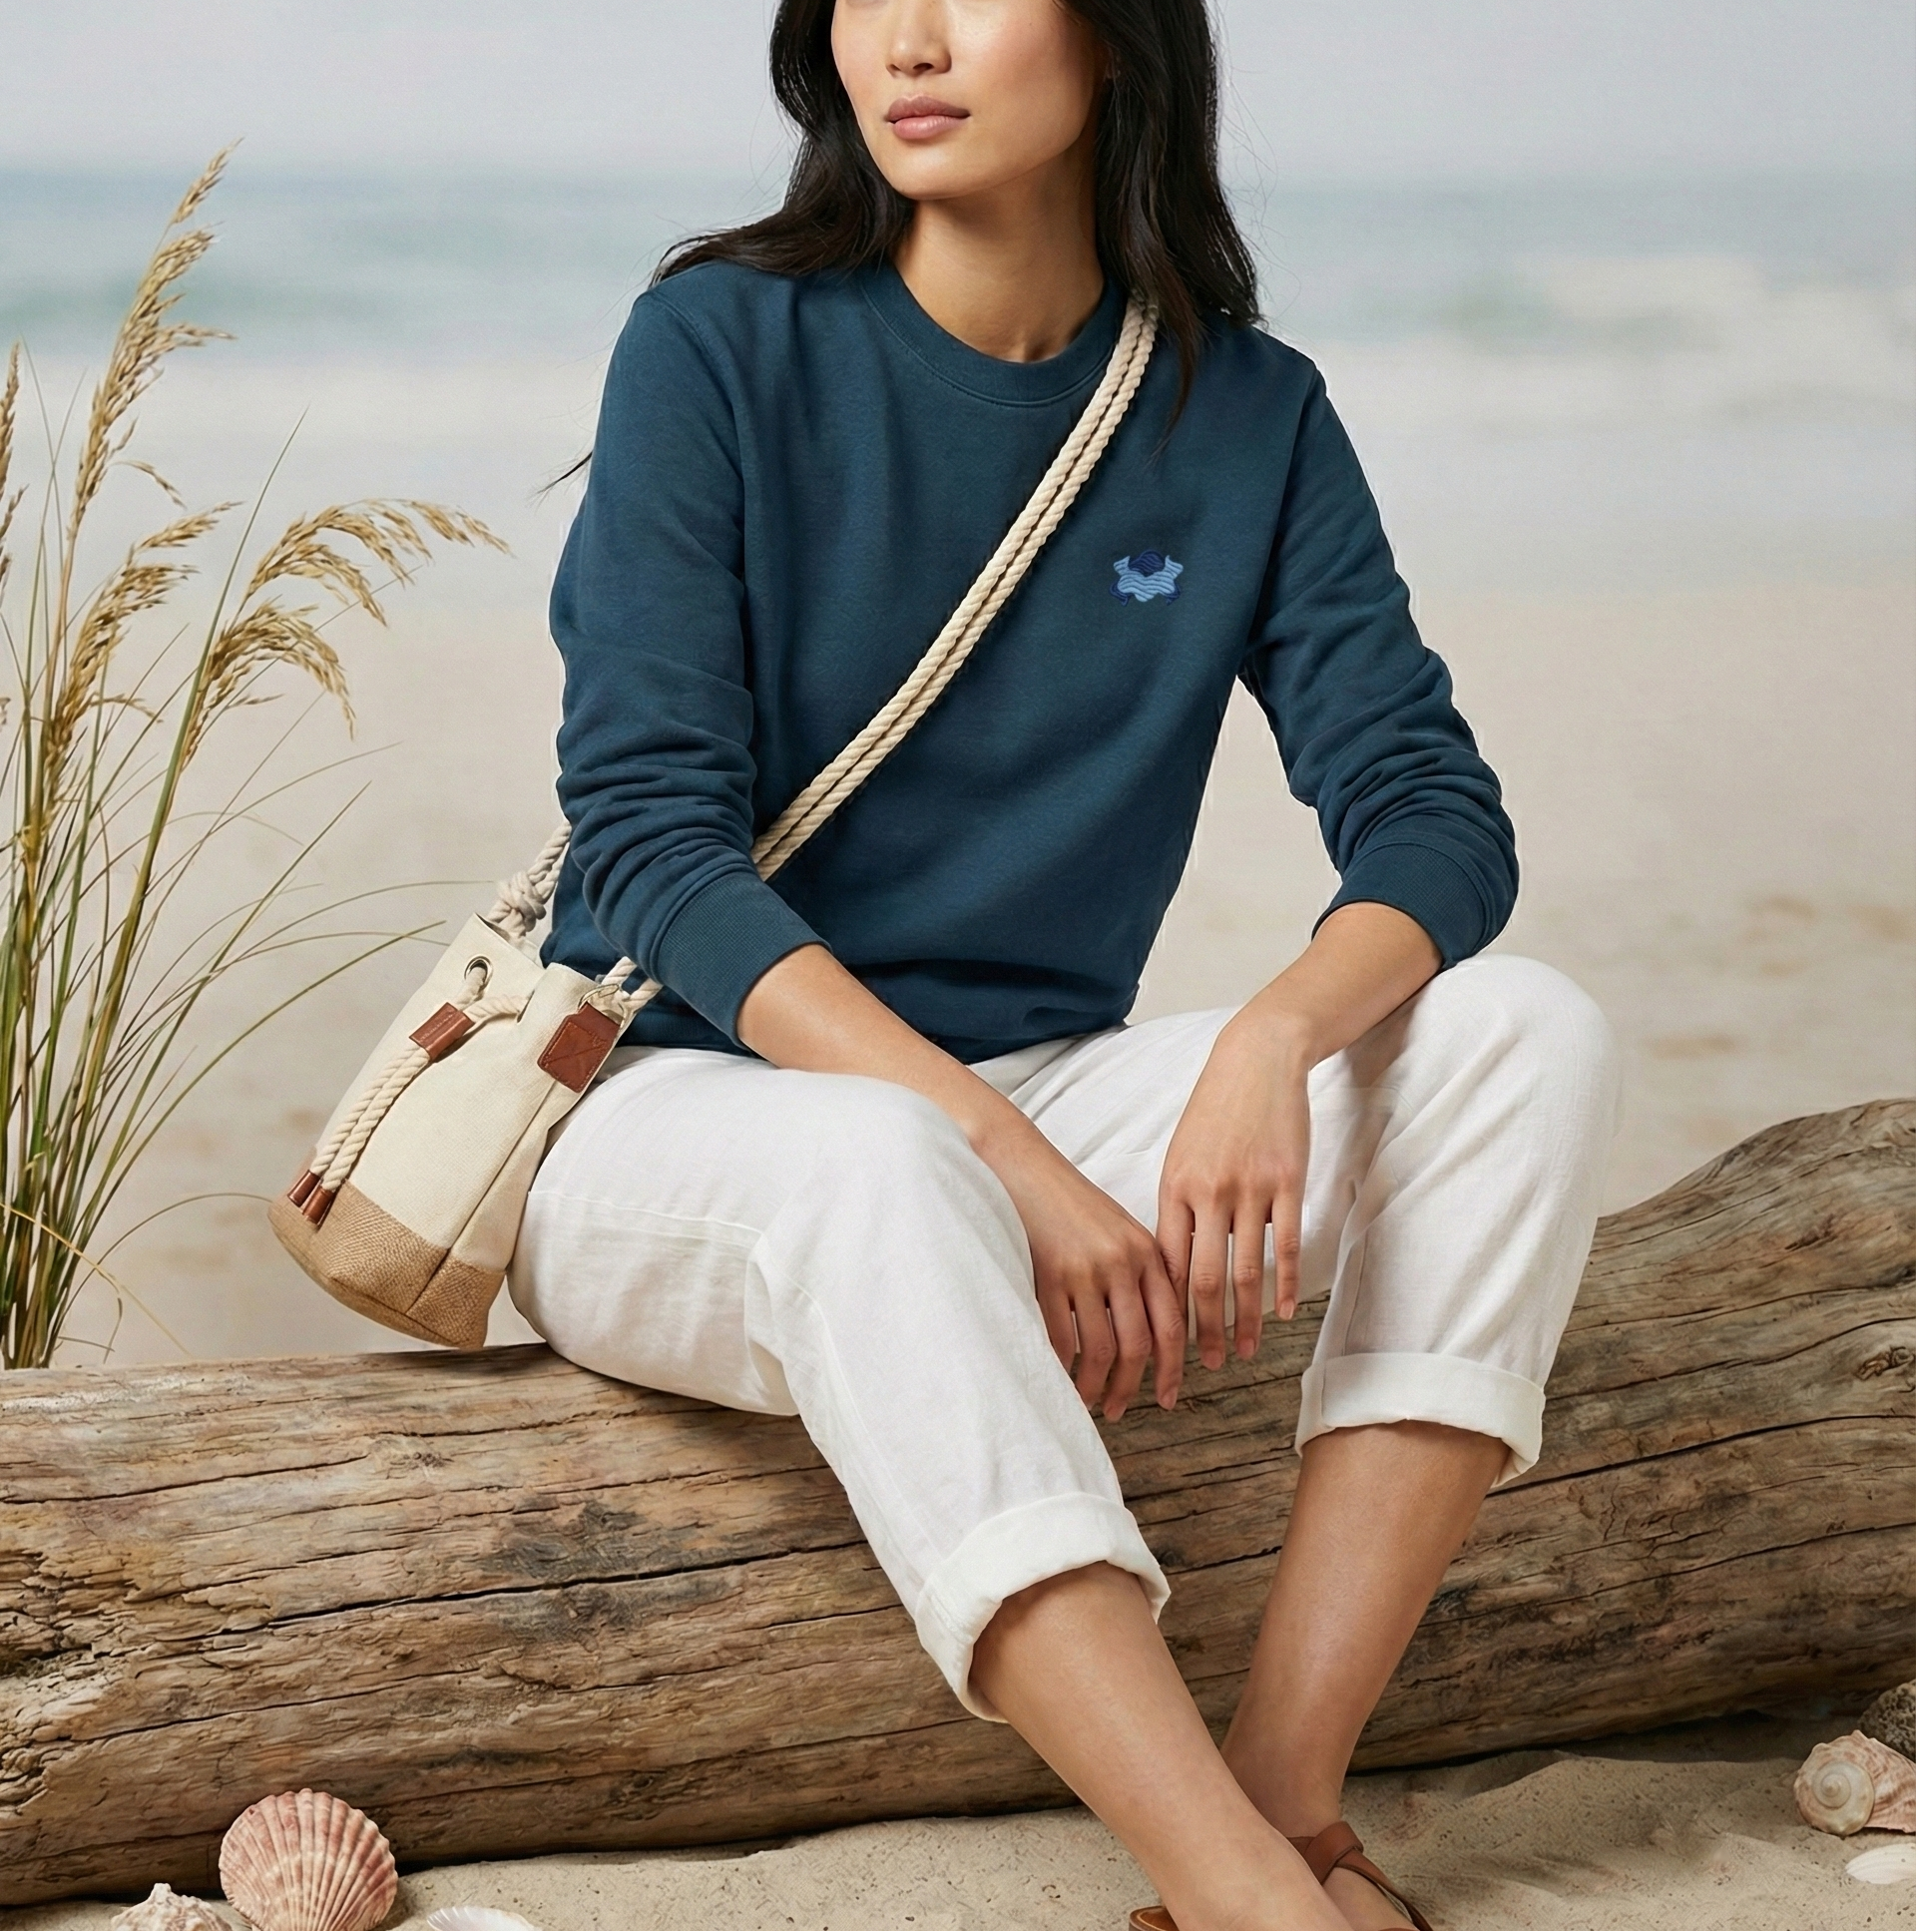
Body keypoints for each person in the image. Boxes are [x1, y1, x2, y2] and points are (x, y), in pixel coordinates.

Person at [511, 2, 1619, 1925]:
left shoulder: (1247, 414)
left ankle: (1281, 1802)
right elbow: (655, 850)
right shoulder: (718, 344)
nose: (912, 37)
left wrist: (1275, 1038)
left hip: (1022, 1099)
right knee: (881, 1163)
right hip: (671, 1118)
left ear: (1116, 40)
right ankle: (1247, 1902)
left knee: (1525, 1034)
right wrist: (1010, 1167)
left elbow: (1439, 819)